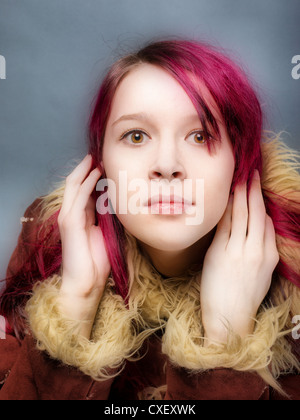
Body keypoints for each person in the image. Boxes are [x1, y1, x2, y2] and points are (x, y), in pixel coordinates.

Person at [0, 39, 299, 400]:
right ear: (101, 163)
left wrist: (227, 340)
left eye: (200, 135)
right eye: (136, 135)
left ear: (241, 161)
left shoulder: (292, 288)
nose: (168, 165)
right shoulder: (47, 243)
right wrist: (73, 309)